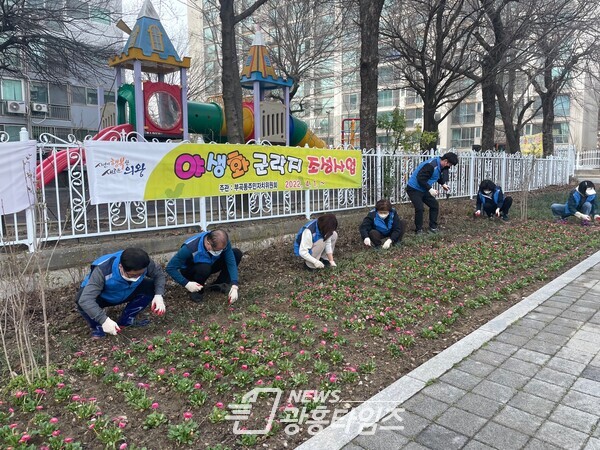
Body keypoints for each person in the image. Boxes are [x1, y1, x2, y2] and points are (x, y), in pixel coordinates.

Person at [76, 247, 166, 339]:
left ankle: (127, 320)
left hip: (128, 290)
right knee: (80, 299)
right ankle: (98, 327)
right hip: (104, 296)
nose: (137, 277)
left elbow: (159, 275)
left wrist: (159, 295)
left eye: (141, 274)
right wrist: (104, 320)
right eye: (133, 275)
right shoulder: (103, 270)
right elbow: (85, 299)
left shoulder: (144, 262)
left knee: (151, 286)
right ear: (120, 267)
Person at [166, 229, 242, 304]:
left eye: (222, 249)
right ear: (208, 244)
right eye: (218, 250)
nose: (221, 251)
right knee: (204, 268)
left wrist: (234, 285)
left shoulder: (223, 243)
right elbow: (170, 268)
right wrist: (186, 283)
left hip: (211, 263)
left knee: (236, 253)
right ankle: (197, 290)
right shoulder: (190, 248)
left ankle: (220, 283)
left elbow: (231, 262)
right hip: (192, 269)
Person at [406, 152, 459, 234]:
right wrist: (430, 189)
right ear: (445, 161)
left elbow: (437, 175)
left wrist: (443, 184)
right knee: (420, 208)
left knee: (434, 205)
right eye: (450, 164)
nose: (449, 166)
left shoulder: (440, 166)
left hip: (423, 188)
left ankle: (433, 227)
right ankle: (419, 230)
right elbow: (420, 179)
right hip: (414, 188)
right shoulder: (431, 165)